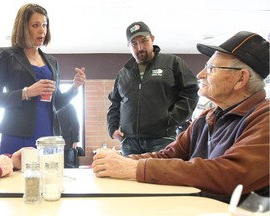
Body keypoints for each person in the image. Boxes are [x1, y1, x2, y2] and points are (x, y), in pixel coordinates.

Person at [93, 31, 269, 203]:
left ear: (241, 79)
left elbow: (230, 174)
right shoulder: (206, 118)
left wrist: (135, 168)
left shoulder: (264, 117)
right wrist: (119, 161)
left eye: (211, 68)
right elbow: (168, 156)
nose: (200, 75)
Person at [0, 3, 86, 154]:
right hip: (16, 134)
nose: (42, 30)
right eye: (35, 25)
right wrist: (27, 92)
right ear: (23, 27)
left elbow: (56, 102)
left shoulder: (52, 62)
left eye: (44, 25)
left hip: (48, 135)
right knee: (15, 177)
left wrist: (75, 88)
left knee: (48, 177)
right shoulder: (7, 55)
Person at [107, 21, 199, 156]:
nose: (140, 47)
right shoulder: (124, 73)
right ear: (128, 46)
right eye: (134, 44)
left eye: (144, 41)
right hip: (129, 141)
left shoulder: (173, 63)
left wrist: (170, 119)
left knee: (160, 176)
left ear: (152, 39)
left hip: (162, 139)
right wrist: (112, 129)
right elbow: (114, 102)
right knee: (127, 176)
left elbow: (191, 93)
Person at [57, 103, 80, 168]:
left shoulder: (69, 106)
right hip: (54, 141)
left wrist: (75, 140)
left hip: (67, 142)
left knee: (68, 164)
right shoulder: (51, 107)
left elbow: (75, 123)